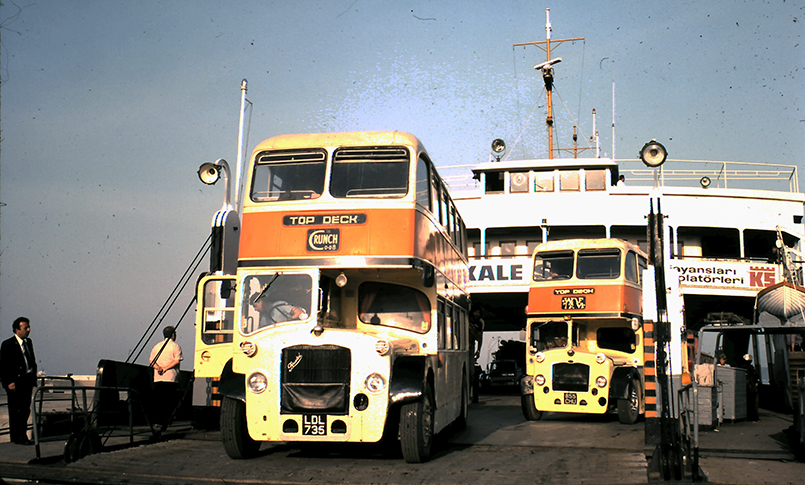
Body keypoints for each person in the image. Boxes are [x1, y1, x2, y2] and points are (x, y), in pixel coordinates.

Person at [1, 317, 37, 445]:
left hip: (26, 382)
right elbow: (4, 365)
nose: (28, 330)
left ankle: (22, 436)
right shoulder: (8, 344)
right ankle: (17, 438)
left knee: (25, 410)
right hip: (15, 383)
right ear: (17, 329)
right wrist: (9, 382)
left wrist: (34, 382)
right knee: (16, 411)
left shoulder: (28, 342)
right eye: (25, 327)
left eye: (28, 327)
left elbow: (31, 361)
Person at [149, 326, 183, 433]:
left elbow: (151, 360)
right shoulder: (175, 346)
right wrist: (165, 368)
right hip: (171, 378)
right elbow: (177, 361)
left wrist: (159, 368)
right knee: (169, 401)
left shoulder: (156, 346)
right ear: (173, 334)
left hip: (158, 378)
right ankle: (166, 422)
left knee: (158, 401)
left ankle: (157, 422)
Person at [468, 305, 485, 403]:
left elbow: (480, 336)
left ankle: (474, 396)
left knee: (472, 373)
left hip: (471, 345)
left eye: (478, 313)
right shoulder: (466, 318)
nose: (476, 315)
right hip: (462, 345)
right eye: (475, 312)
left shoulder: (480, 323)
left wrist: (479, 350)